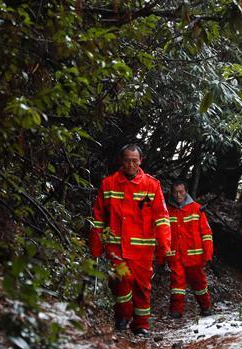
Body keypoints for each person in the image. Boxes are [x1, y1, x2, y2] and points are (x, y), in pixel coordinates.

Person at [89, 144, 171, 336]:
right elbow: (98, 217)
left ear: (141, 161)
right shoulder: (108, 184)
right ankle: (122, 316)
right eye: (127, 160)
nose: (131, 164)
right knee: (121, 281)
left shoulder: (152, 185)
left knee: (142, 287)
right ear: (121, 160)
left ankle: (141, 324)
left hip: (142, 250)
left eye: (134, 161)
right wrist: (95, 246)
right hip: (116, 247)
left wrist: (164, 245)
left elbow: (161, 218)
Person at [166, 179, 213, 318]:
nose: (178, 195)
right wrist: (162, 255)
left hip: (195, 256)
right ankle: (176, 310)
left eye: (181, 192)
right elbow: (163, 233)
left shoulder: (197, 209)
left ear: (186, 191)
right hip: (175, 255)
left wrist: (208, 254)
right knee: (177, 284)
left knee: (199, 284)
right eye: (175, 192)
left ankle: (205, 307)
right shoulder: (167, 210)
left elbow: (206, 233)